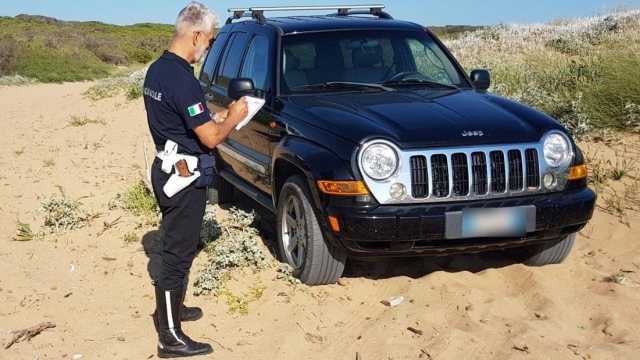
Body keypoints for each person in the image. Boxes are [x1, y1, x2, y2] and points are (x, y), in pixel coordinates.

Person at [143, 2, 248, 357]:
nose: (209, 46)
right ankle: (169, 335)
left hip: (167, 166)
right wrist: (234, 116)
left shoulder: (159, 70)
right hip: (183, 175)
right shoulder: (182, 79)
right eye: (211, 39)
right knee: (176, 253)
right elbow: (211, 139)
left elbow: (186, 120)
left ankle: (172, 309)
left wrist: (212, 116)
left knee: (180, 246)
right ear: (197, 34)